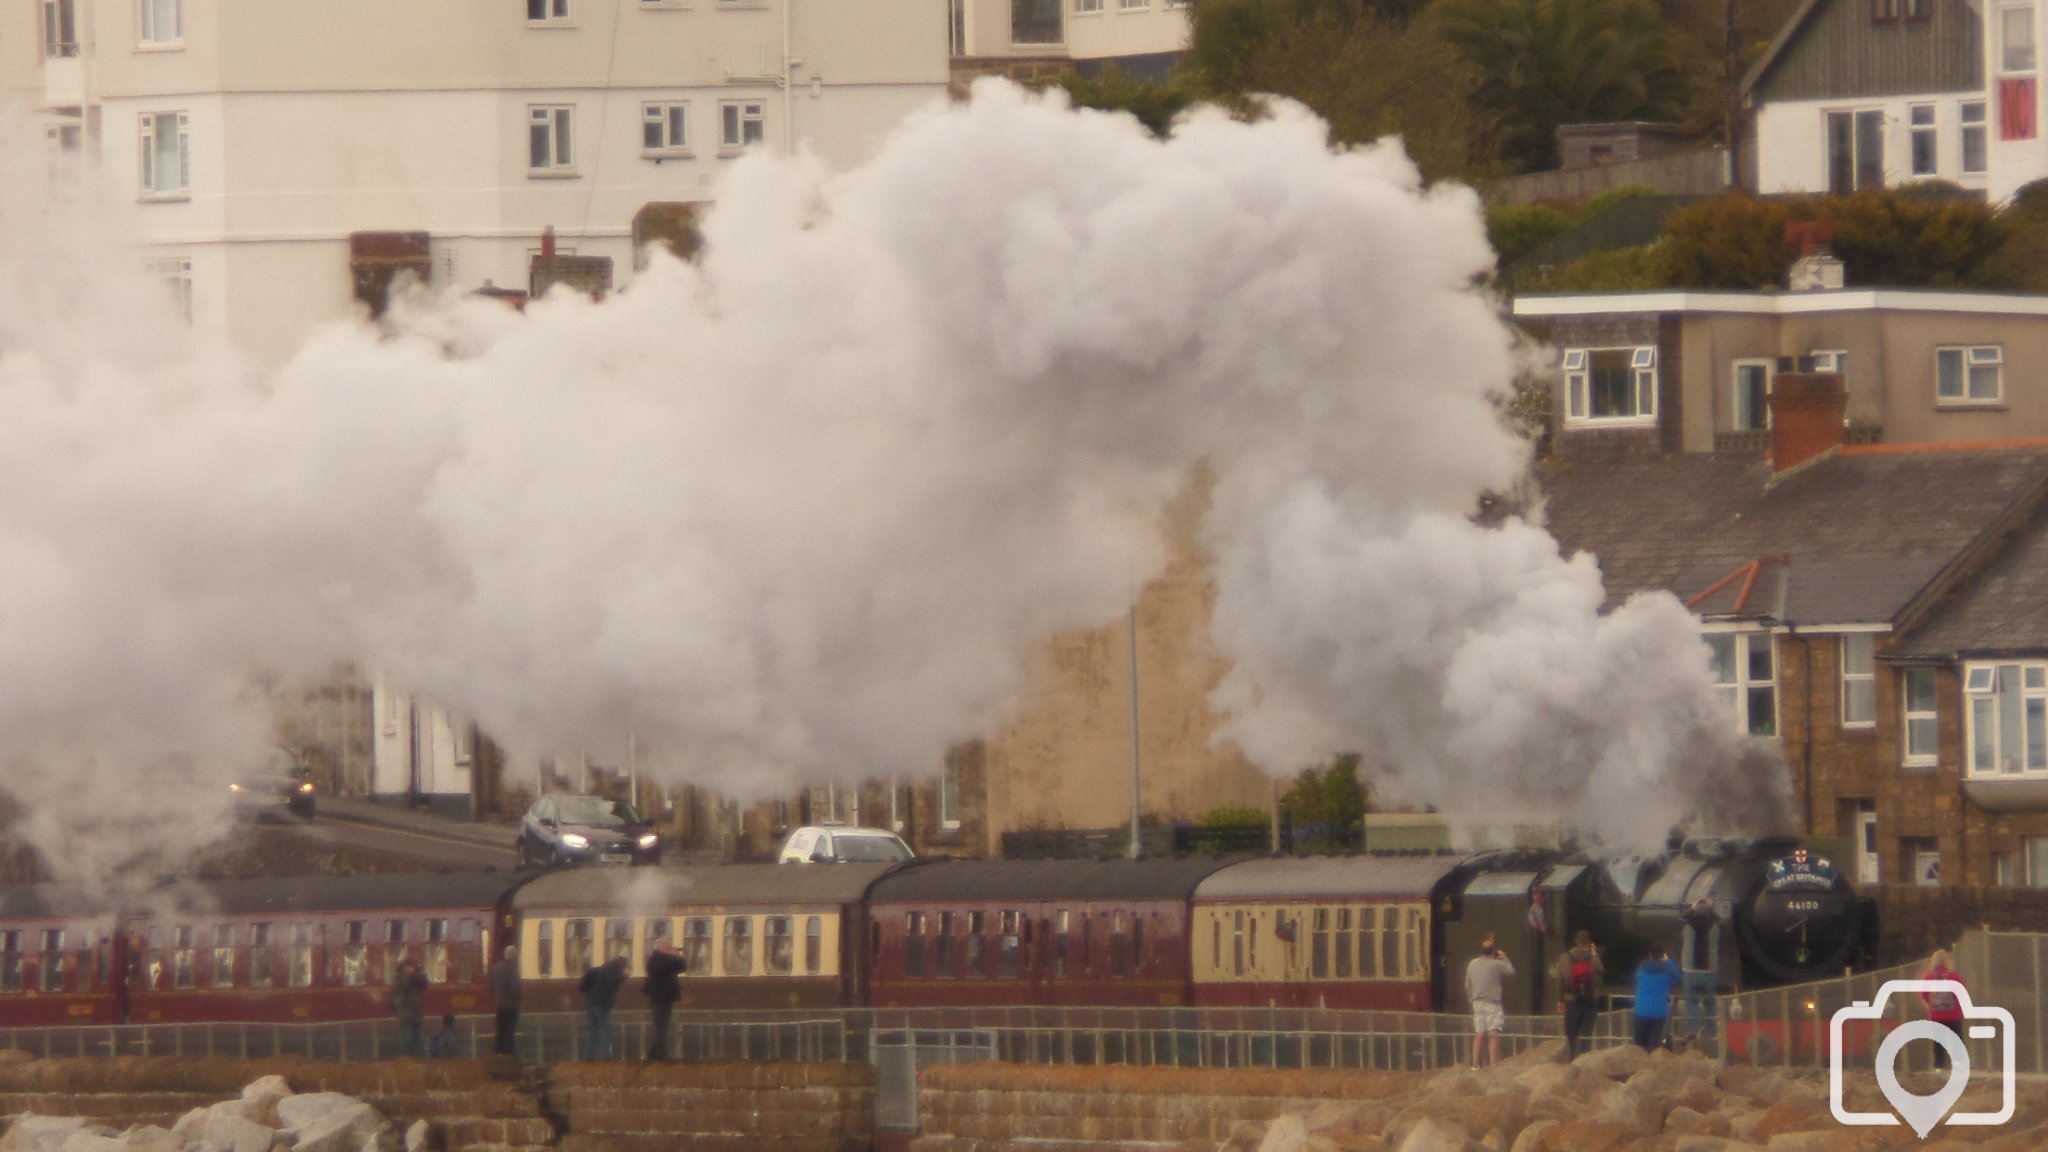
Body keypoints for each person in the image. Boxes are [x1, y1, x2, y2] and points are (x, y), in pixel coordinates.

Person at [1464, 934, 1515, 1069]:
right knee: (1494, 1034)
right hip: (1493, 1003)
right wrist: (1504, 958)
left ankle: (1475, 1065)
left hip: (1477, 1002)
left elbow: (1467, 985)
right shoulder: (1497, 964)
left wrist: (1471, 999)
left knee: (1479, 1033)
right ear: (1494, 951)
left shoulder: (1472, 964)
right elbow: (1511, 971)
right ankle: (1493, 1065)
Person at [1555, 930, 1603, 1062]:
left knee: (1571, 1033)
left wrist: (1560, 1000)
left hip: (1571, 1000)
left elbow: (1560, 981)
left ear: (1576, 941)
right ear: (1588, 942)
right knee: (1586, 1034)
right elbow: (1601, 971)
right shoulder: (1592, 957)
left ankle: (1571, 1060)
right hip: (1590, 1000)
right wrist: (1594, 954)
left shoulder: (1565, 957)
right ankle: (1584, 1060)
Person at [1678, 898, 1721, 1046]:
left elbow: (1678, 919)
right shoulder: (1714, 927)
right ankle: (1715, 1032)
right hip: (1710, 971)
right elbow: (1720, 920)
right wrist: (1711, 908)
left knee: (1691, 1002)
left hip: (1690, 971)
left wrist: (1692, 909)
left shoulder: (1687, 925)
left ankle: (1693, 1030)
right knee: (1710, 1002)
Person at [1920, 949, 1966, 1069]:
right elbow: (1962, 994)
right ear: (1947, 961)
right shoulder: (1954, 976)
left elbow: (1924, 995)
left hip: (1937, 1016)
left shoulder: (1928, 977)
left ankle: (1939, 1067)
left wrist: (1931, 1006)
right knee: (1956, 1041)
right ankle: (1959, 1065)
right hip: (1954, 1015)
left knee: (1938, 1043)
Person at [1631, 944, 1683, 1052]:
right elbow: (1678, 978)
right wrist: (1669, 961)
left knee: (1638, 1047)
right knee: (1654, 1047)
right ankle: (1650, 1067)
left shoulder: (1641, 969)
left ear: (1650, 955)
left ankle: (1638, 1068)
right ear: (1663, 955)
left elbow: (1635, 978)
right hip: (1658, 1013)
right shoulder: (1667, 971)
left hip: (1640, 1011)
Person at [579, 955, 629, 1061]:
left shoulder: (605, 968)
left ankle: (589, 1055)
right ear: (622, 965)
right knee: (604, 1028)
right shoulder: (612, 969)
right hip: (601, 1003)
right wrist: (623, 976)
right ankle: (606, 1054)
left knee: (593, 1029)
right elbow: (610, 981)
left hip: (592, 1002)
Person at [644, 939, 687, 1061]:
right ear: (662, 948)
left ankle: (654, 1052)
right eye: (667, 947)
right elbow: (667, 968)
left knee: (662, 1025)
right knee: (660, 1026)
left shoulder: (663, 959)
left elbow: (682, 968)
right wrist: (674, 956)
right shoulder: (655, 959)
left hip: (664, 997)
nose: (669, 950)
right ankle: (661, 1054)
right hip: (659, 997)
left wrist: (677, 957)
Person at [390, 958, 428, 1058]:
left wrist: (421, 973)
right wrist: (410, 974)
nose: (411, 969)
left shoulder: (415, 980)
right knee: (407, 1037)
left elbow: (425, 984)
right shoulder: (400, 979)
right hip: (406, 1013)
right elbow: (405, 983)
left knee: (416, 1037)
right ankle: (406, 1057)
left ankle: (414, 1056)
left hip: (416, 1014)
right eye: (408, 967)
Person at [491, 945, 523, 1056]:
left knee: (500, 1031)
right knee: (509, 1032)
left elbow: (491, 986)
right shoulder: (513, 970)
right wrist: (518, 997)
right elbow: (515, 989)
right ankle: (509, 1056)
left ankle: (498, 1055)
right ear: (514, 957)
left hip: (500, 1005)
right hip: (511, 1007)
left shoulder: (497, 967)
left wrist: (499, 995)